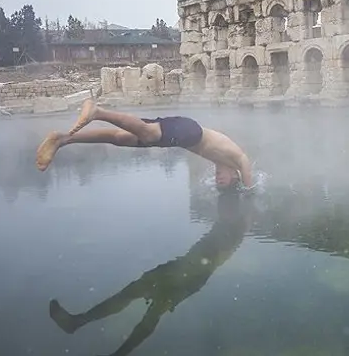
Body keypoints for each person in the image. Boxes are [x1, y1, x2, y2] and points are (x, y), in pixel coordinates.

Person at [48, 192, 253, 356]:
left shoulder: (238, 212)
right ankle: (77, 323)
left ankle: (109, 344)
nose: (217, 175)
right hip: (181, 267)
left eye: (220, 172)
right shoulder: (229, 205)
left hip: (191, 275)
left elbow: (219, 255)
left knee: (151, 313)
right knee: (129, 295)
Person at [35, 98, 253, 189]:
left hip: (184, 134)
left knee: (120, 138)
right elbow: (245, 163)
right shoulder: (236, 158)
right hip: (191, 131)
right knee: (148, 134)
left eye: (218, 179)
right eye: (224, 178)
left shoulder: (220, 160)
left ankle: (63, 139)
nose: (218, 178)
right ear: (236, 174)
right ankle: (97, 111)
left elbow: (219, 162)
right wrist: (248, 187)